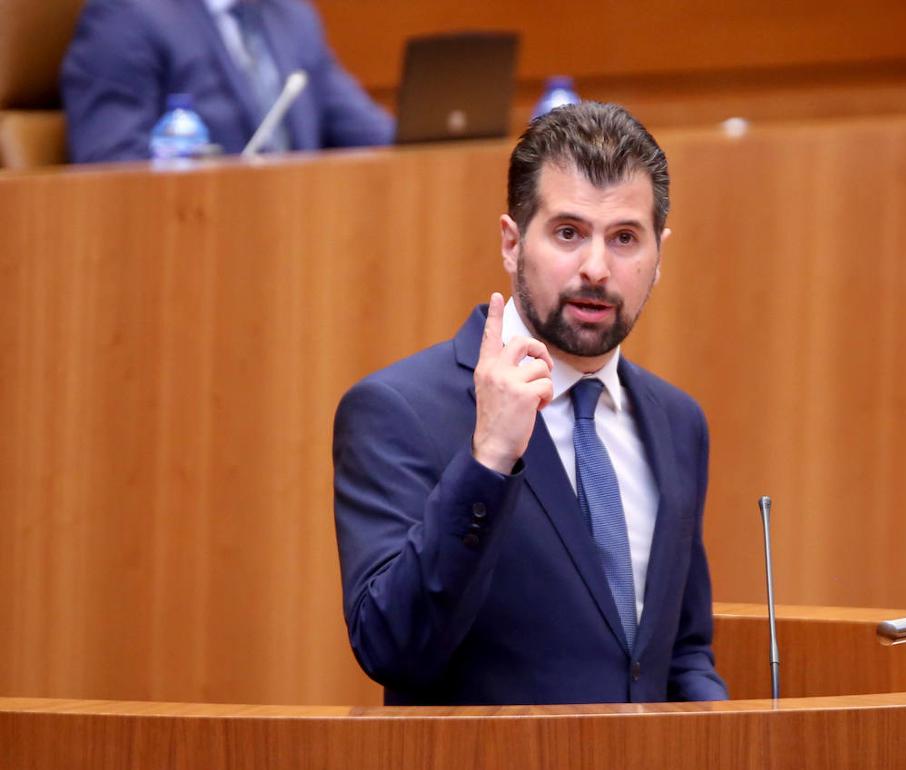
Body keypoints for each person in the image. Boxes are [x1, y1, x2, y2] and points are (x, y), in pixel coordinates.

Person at [332, 102, 729, 706]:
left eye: (625, 238)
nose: (596, 268)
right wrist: (487, 458)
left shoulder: (678, 422)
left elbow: (681, 650)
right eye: (568, 233)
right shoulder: (397, 411)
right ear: (512, 243)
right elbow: (392, 648)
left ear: (659, 257)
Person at [60, 0, 393, 163]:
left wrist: (434, 131)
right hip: (195, 242)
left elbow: (370, 131)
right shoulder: (126, 16)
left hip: (303, 231)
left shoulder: (291, 15)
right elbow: (111, 166)